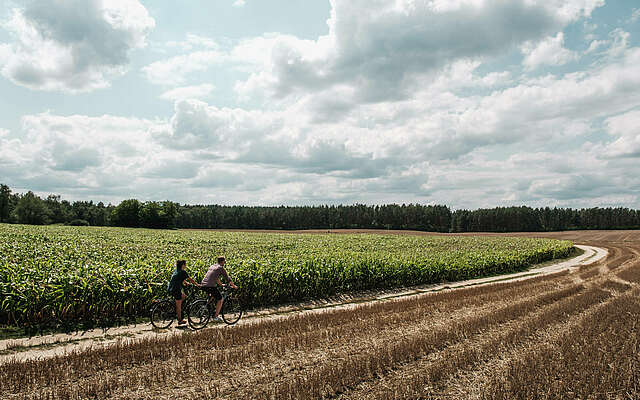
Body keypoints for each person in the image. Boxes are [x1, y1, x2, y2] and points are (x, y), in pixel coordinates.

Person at [200, 256, 238, 322]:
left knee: (213, 296)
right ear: (222, 261)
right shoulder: (220, 268)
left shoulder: (212, 266)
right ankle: (215, 316)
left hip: (203, 284)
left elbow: (216, 278)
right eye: (224, 262)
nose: (224, 263)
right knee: (220, 299)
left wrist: (221, 285)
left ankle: (205, 308)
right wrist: (234, 286)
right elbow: (228, 279)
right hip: (210, 286)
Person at [167, 259, 199, 325]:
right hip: (176, 289)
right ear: (182, 265)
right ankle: (180, 320)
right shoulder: (183, 272)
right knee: (179, 306)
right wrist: (197, 285)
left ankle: (176, 309)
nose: (186, 266)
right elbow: (191, 279)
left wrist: (186, 283)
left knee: (184, 296)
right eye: (185, 264)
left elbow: (181, 278)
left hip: (171, 288)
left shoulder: (177, 271)